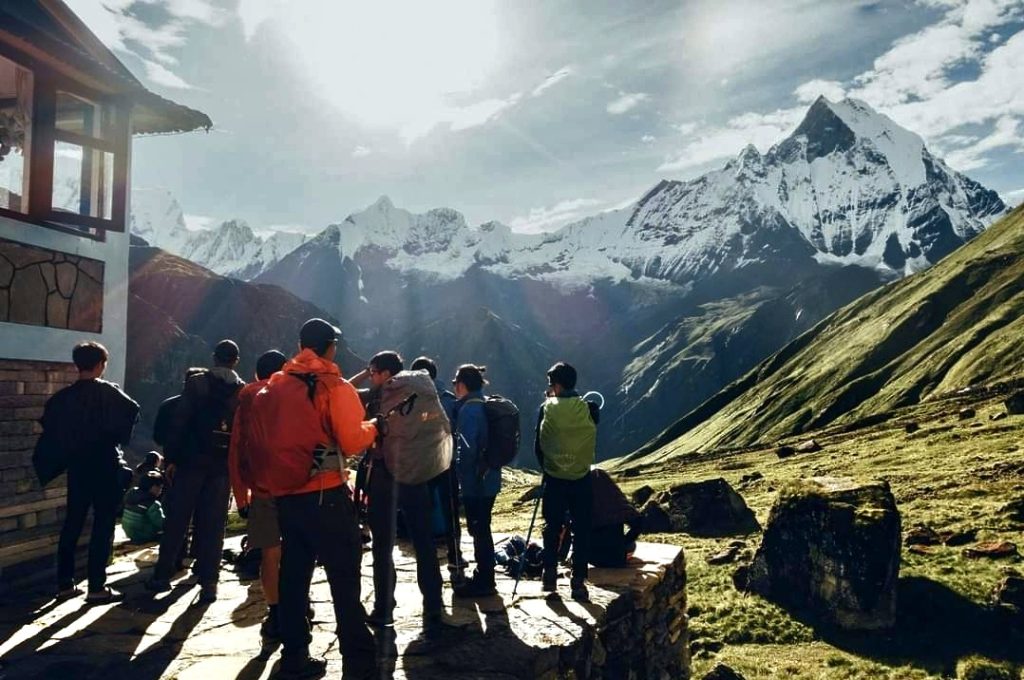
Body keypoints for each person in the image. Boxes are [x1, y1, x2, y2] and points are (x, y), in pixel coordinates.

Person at [249, 318, 380, 679]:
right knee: (344, 574)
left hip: (286, 495)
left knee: (294, 576)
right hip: (326, 493)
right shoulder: (331, 386)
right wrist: (375, 428)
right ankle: (358, 659)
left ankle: (295, 656)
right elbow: (352, 440)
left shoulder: (274, 386)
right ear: (329, 347)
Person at [146, 340, 245, 603]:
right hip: (220, 466)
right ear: (235, 360)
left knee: (178, 519)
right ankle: (209, 582)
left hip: (190, 462)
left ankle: (162, 576)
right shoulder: (240, 391)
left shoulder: (197, 383)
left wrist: (172, 459)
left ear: (214, 358)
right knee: (213, 525)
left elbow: (180, 423)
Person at [362, 351, 452, 636]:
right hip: (416, 472)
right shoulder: (421, 389)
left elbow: (346, 395)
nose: (372, 375)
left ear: (385, 373)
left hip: (384, 475)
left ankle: (383, 608)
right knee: (424, 541)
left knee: (382, 546)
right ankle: (434, 605)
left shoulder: (379, 396)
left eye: (373, 371)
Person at [47, 341, 140, 604]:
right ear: (101, 365)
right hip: (105, 465)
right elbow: (132, 411)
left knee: (73, 522)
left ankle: (65, 583)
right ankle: (96, 586)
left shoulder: (63, 397)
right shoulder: (109, 393)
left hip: (77, 467)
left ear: (77, 364)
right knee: (103, 524)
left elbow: (51, 427)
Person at [228, 349, 288, 640]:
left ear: (255, 374)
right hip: (296, 488)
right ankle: (298, 607)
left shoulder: (247, 401)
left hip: (262, 489)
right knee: (297, 552)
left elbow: (236, 452)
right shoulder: (292, 396)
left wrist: (242, 498)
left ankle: (275, 613)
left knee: (269, 554)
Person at [535, 362, 597, 602]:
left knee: (552, 526)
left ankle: (549, 574)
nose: (549, 388)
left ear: (557, 385)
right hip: (582, 478)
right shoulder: (590, 408)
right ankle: (578, 582)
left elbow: (538, 445)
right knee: (582, 529)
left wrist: (550, 468)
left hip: (554, 480)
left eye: (551, 384)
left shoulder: (546, 408)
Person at [409, 355, 466, 585]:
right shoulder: (450, 400)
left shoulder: (410, 400)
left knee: (423, 514)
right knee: (450, 511)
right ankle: (455, 558)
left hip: (421, 465)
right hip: (447, 464)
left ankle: (428, 563)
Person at [451, 364, 501, 599]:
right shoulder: (486, 404)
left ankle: (485, 580)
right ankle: (485, 575)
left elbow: (467, 449)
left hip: (475, 483)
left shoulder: (469, 411)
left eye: (455, 383)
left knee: (479, 529)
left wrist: (459, 472)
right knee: (483, 527)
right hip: (491, 478)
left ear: (462, 385)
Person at [586, 469, 643, 567]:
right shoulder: (616, 501)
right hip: (616, 558)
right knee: (632, 545)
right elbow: (639, 524)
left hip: (591, 558)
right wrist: (623, 542)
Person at [122, 471, 166, 543]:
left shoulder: (131, 494)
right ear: (153, 487)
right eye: (160, 488)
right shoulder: (152, 504)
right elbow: (160, 523)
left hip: (128, 531)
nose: (161, 491)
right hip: (143, 534)